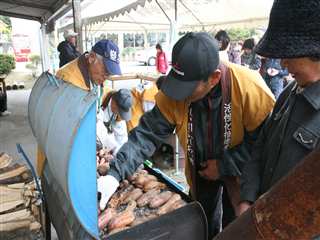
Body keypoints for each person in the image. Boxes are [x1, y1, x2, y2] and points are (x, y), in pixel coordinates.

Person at [98, 32, 275, 239]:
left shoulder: (250, 88)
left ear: (214, 78)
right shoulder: (175, 92)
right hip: (200, 171)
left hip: (240, 173)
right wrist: (115, 174)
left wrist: (223, 166)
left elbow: (261, 145)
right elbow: (147, 134)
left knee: (233, 227)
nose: (179, 95)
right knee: (202, 222)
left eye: (188, 89)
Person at [238, 0, 320, 216]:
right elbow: (261, 145)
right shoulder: (289, 92)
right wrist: (247, 196)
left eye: (289, 54)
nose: (283, 64)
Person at [37, 39, 121, 175]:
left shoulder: (96, 78)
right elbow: (63, 128)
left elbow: (95, 113)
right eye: (105, 70)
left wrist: (107, 141)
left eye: (109, 73)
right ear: (92, 58)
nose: (106, 76)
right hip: (58, 150)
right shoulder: (68, 80)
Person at [97, 88, 133, 153]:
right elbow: (98, 127)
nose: (120, 115)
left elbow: (121, 138)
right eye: (120, 112)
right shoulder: (100, 100)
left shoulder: (119, 115)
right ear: (113, 103)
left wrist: (121, 153)